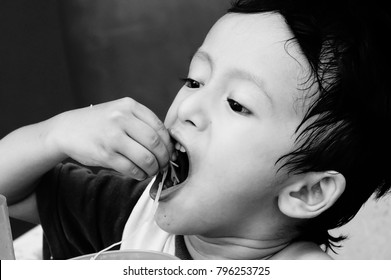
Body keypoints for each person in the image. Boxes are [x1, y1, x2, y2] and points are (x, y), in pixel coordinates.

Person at [1, 0, 390, 260]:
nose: (189, 108)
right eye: (194, 81)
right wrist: (55, 135)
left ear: (306, 190)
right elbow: (8, 190)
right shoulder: (129, 216)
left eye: (237, 104)